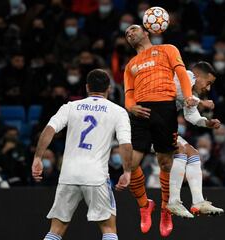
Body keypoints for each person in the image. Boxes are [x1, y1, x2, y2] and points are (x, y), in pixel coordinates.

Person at [31, 69, 133, 240]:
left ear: (87, 87)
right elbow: (125, 144)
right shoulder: (118, 111)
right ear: (108, 88)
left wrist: (37, 157)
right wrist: (127, 171)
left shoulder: (71, 107)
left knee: (55, 230)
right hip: (96, 176)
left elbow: (49, 129)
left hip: (68, 174)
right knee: (108, 228)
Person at [123, 24, 196, 237]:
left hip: (165, 108)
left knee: (165, 162)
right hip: (140, 111)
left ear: (147, 32)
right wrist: (130, 107)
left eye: (133, 29)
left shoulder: (168, 49)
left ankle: (166, 207)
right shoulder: (130, 65)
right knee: (130, 163)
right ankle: (145, 205)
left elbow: (181, 73)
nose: (130, 33)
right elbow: (129, 93)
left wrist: (189, 94)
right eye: (126, 33)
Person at [167, 62, 224, 218]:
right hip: (148, 124)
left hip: (162, 126)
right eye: (208, 83)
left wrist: (207, 122)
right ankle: (173, 202)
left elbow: (190, 116)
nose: (208, 88)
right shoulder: (185, 76)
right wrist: (202, 102)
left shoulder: (191, 92)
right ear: (197, 76)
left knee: (193, 153)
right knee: (181, 149)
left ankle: (198, 202)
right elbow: (177, 93)